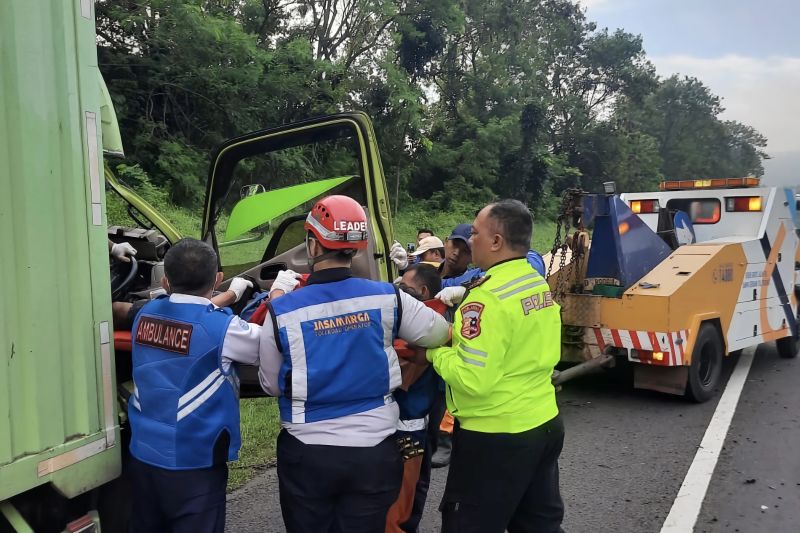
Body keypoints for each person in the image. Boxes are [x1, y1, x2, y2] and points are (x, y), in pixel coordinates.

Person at [257, 195, 451, 533]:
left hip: (307, 453)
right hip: (374, 452)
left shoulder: (282, 311)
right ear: (357, 247)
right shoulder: (388, 297)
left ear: (313, 246)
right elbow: (439, 333)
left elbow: (272, 384)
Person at [413, 200, 564, 533]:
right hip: (544, 422)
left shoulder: (487, 299)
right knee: (538, 526)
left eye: (476, 233)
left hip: (496, 437)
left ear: (496, 242)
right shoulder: (535, 283)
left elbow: (472, 378)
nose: (470, 241)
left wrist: (435, 352)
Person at [127, 238, 262, 533]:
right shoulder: (224, 329)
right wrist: (277, 293)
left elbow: (185, 314)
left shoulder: (143, 315)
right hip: (195, 468)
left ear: (165, 282)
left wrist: (226, 298)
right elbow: (271, 342)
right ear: (217, 279)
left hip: (142, 458)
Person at [386, 263, 445, 533]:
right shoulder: (434, 321)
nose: (399, 290)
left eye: (404, 286)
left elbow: (399, 365)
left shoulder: (422, 327)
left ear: (421, 291)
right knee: (412, 491)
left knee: (401, 504)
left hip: (407, 431)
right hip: (416, 425)